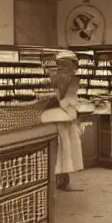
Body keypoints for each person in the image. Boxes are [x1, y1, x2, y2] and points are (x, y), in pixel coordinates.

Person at [41, 50, 84, 191]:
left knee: (63, 150)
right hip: (61, 120)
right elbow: (65, 100)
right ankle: (60, 182)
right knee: (63, 150)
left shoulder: (58, 78)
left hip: (61, 118)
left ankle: (61, 181)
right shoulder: (65, 78)